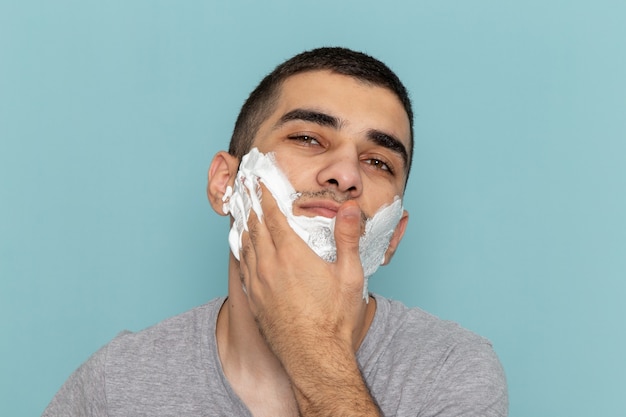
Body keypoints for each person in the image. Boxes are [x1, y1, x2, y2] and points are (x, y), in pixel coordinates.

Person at [43, 47, 508, 416]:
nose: (346, 174)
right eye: (308, 138)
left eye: (378, 161)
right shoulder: (121, 383)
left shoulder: (451, 369)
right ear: (226, 183)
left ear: (393, 237)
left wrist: (311, 347)